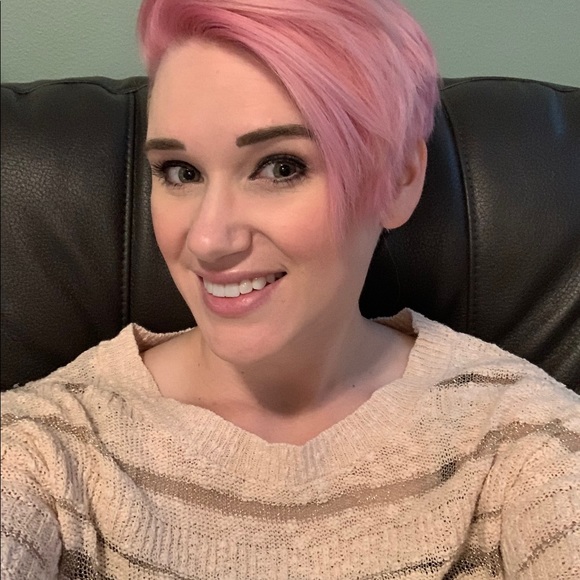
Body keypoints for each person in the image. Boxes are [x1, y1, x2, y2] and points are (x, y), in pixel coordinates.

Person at [1, 0, 578, 578]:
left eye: (280, 167)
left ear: (400, 178)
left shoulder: (522, 441)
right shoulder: (48, 448)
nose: (207, 240)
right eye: (180, 171)